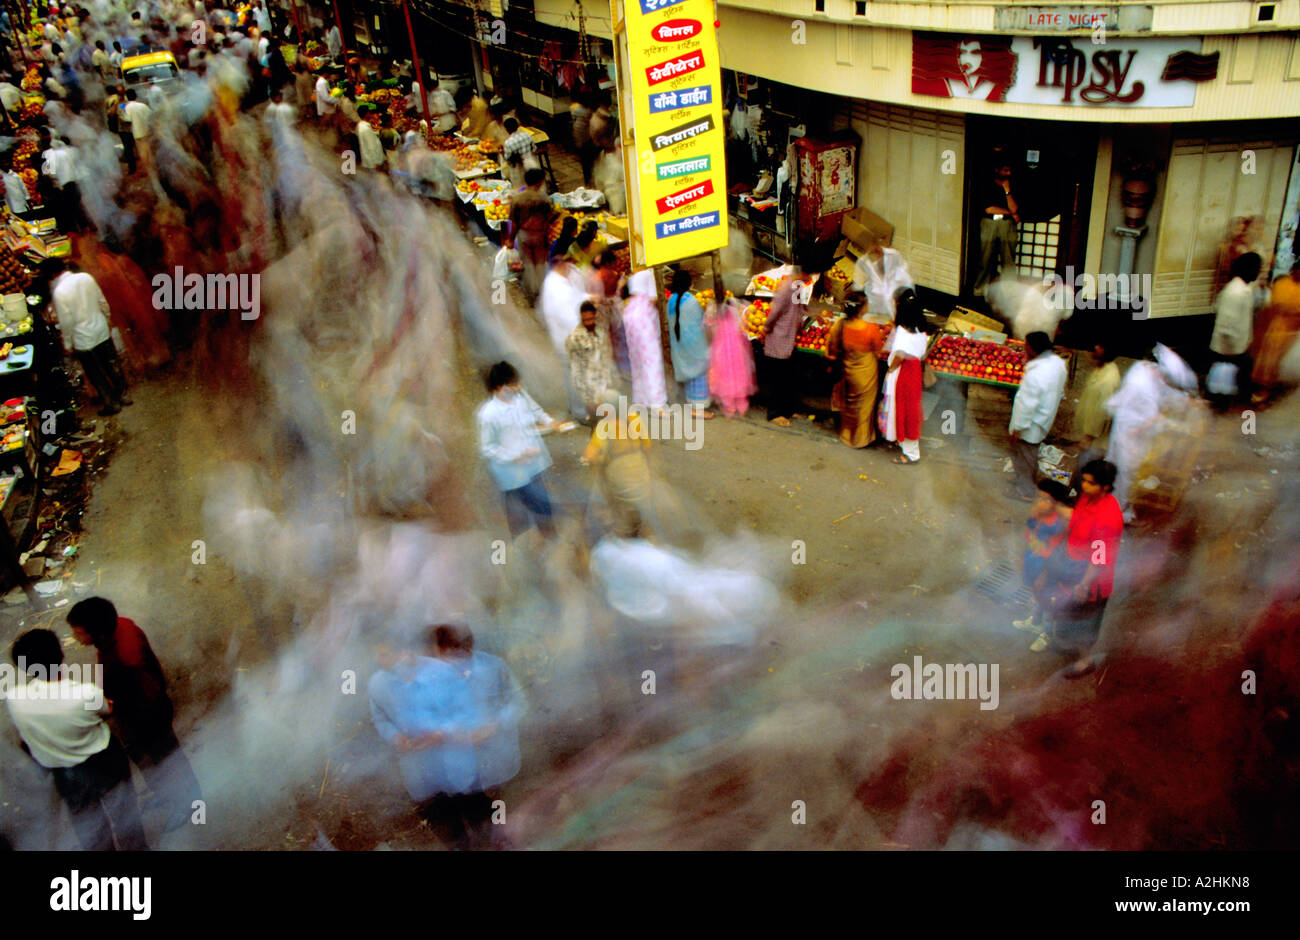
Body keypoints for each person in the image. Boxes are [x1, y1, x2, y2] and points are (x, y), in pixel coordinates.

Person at [4, 629, 148, 851]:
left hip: (63, 772)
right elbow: (107, 708)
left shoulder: (14, 700)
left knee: (89, 824)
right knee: (124, 813)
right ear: (61, 655)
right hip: (104, 761)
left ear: (24, 667)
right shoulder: (85, 693)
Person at [67, 598, 202, 831]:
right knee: (156, 758)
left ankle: (187, 803)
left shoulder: (125, 658)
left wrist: (102, 708)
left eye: (79, 633)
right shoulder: (121, 625)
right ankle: (169, 795)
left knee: (165, 759)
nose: (76, 638)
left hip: (147, 714)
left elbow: (131, 694)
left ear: (97, 633)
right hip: (140, 709)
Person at [367, 636, 479, 850]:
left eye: (384, 655)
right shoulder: (377, 683)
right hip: (419, 768)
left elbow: (466, 710)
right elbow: (380, 719)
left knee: (472, 808)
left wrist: (442, 732)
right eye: (376, 655)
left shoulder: (441, 672)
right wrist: (395, 737)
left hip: (455, 760)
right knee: (442, 819)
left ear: (405, 651)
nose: (379, 661)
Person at [429, 625, 526, 850]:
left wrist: (495, 725)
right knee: (472, 809)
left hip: (494, 753)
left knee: (498, 805)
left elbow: (518, 701)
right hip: (459, 759)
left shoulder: (493, 667)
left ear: (466, 649)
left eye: (450, 655)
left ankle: (502, 841)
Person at [1028, 460, 1124, 681]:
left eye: (1090, 483)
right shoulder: (1086, 498)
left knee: (1084, 622)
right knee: (1066, 612)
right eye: (1083, 480)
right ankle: (1065, 642)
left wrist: (1084, 584)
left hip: (1091, 577)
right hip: (1071, 565)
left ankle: (1085, 661)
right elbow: (1076, 519)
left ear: (1105, 487)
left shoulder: (1107, 518)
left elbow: (1098, 559)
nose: (1084, 485)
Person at [1105, 343, 1197, 520]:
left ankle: (1116, 506)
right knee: (1127, 475)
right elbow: (1150, 421)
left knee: (1121, 472)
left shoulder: (1144, 369)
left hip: (1128, 428)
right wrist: (1175, 425)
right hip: (1131, 435)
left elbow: (1167, 393)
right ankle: (1118, 513)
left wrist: (1185, 402)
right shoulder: (1143, 387)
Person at [476, 361, 562, 540]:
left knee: (537, 499)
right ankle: (529, 537)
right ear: (498, 387)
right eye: (513, 384)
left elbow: (536, 410)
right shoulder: (488, 415)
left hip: (533, 462)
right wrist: (514, 456)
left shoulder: (520, 397)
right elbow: (487, 448)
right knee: (526, 505)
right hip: (511, 471)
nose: (518, 387)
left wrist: (549, 422)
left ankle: (545, 532)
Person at [51, 259, 132, 415]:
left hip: (83, 340)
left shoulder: (60, 292)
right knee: (112, 365)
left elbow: (66, 322)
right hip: (101, 329)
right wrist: (107, 319)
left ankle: (111, 403)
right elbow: (102, 301)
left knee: (96, 374)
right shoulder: (86, 278)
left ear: (53, 275)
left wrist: (67, 344)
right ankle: (124, 395)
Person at [583, 396, 654, 539]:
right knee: (637, 509)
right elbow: (647, 446)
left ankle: (628, 538)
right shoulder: (634, 418)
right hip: (642, 479)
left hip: (620, 482)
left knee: (622, 514)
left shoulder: (605, 427)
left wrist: (601, 460)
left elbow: (589, 456)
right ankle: (639, 528)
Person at [1008, 330, 1068, 499]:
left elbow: (1027, 405)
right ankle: (1022, 480)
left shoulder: (1036, 374)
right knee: (1027, 454)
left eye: (1026, 346)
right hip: (1044, 417)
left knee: (1025, 454)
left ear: (1033, 349)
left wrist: (1018, 428)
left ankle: (1025, 491)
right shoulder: (1057, 363)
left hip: (1030, 422)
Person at [826, 290, 886, 447]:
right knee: (864, 407)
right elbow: (878, 351)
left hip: (848, 370)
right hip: (866, 373)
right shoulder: (870, 329)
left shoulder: (840, 325)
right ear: (861, 308)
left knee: (850, 404)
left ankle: (846, 435)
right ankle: (859, 439)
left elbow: (831, 347)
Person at [1011, 479, 1071, 634]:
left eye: (1046, 500)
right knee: (1038, 596)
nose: (1040, 503)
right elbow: (1030, 538)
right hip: (1033, 561)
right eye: (1039, 498)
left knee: (1048, 601)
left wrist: (1043, 575)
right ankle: (1036, 622)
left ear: (1057, 504)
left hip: (1047, 569)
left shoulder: (1058, 524)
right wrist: (1023, 558)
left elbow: (1054, 554)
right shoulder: (1038, 516)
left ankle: (1047, 633)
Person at [1208, 250, 1261, 407]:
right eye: (1257, 269)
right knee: (1224, 385)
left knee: (1228, 384)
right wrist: (1233, 353)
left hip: (1236, 348)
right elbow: (1225, 325)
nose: (1258, 273)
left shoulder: (1243, 288)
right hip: (1229, 350)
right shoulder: (1235, 292)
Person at [882, 288, 929, 463]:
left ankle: (911, 453)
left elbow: (900, 355)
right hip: (914, 372)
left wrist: (890, 369)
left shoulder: (903, 331)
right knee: (911, 409)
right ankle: (904, 444)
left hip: (903, 373)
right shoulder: (921, 330)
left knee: (902, 409)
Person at [759, 267, 807, 427]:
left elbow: (799, 309)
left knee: (788, 377)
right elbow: (775, 312)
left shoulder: (798, 286)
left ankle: (787, 410)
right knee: (778, 378)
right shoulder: (787, 287)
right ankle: (774, 413)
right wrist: (765, 330)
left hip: (789, 338)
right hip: (779, 337)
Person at [1251, 258, 1300, 403]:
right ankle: (1261, 389)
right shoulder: (1282, 284)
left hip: (1292, 331)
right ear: (1293, 271)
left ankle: (1273, 388)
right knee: (1267, 360)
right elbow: (1275, 304)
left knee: (1282, 362)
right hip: (1275, 327)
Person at [666, 269, 713, 418]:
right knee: (699, 373)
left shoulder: (670, 300)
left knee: (689, 374)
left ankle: (691, 404)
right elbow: (701, 323)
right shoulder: (692, 301)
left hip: (680, 346)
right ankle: (699, 408)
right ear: (689, 283)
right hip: (695, 346)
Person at [504, 167, 553, 305]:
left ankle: (532, 296)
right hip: (539, 235)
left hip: (524, 235)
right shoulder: (544, 199)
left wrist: (510, 238)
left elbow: (513, 222)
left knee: (528, 265)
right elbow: (548, 220)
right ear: (539, 182)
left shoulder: (517, 199)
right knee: (539, 265)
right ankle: (542, 294)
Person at [621, 269, 668, 411]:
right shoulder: (650, 273)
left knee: (637, 361)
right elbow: (653, 298)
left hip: (631, 314)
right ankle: (657, 403)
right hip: (644, 317)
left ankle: (642, 400)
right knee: (652, 361)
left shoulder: (634, 276)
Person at [973, 159, 1019, 298]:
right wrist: (1011, 213)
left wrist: (1007, 191)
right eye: (1005, 170)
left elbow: (1015, 207)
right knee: (985, 258)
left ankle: (1009, 292)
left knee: (1009, 259)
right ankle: (980, 291)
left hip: (1007, 225)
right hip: (989, 223)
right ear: (997, 170)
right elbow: (989, 209)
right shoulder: (987, 184)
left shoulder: (1013, 186)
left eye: (1009, 170)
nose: (1008, 173)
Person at [565, 299, 614, 423]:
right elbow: (575, 369)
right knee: (598, 421)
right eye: (585, 320)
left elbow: (607, 355)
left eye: (591, 319)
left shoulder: (601, 331)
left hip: (604, 381)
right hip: (589, 385)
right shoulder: (574, 338)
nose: (589, 322)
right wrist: (586, 397)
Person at [708, 295, 756, 417]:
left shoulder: (715, 308)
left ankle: (730, 405)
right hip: (738, 349)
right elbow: (746, 324)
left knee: (725, 375)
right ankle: (741, 405)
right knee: (739, 373)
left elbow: (709, 324)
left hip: (722, 348)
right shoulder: (740, 307)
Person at [1071, 341, 1121, 453]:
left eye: (1100, 346)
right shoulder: (1103, 368)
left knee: (1086, 467)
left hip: (1094, 442)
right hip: (1089, 433)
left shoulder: (1108, 380)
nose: (1096, 347)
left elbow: (1102, 413)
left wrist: (1088, 438)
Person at [502, 116, 537, 189]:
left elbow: (508, 159)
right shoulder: (527, 135)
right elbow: (534, 149)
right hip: (531, 164)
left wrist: (502, 152)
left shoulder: (508, 143)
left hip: (518, 170)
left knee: (520, 189)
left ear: (507, 129)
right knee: (533, 186)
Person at [122, 87, 151, 172]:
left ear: (126, 97)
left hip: (137, 132)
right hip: (147, 130)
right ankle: (151, 164)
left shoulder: (128, 107)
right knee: (148, 148)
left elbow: (127, 119)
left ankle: (148, 168)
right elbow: (150, 115)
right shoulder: (143, 105)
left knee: (142, 151)